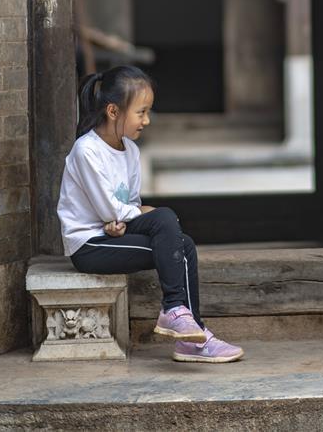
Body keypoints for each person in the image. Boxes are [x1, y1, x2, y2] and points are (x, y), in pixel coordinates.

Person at [57, 65, 243, 364]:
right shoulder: (86, 150)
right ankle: (174, 309)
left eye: (148, 112)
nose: (147, 120)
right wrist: (131, 216)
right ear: (113, 111)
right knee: (164, 216)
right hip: (89, 245)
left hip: (112, 233)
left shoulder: (130, 150)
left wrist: (124, 220)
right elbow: (110, 210)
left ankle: (191, 336)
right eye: (141, 112)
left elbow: (129, 204)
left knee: (184, 245)